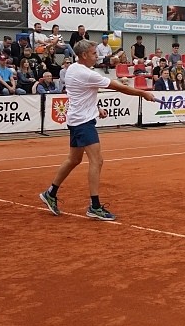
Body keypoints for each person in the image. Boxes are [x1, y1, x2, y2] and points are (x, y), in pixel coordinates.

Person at [39, 39, 156, 221]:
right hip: (83, 122)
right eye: (94, 53)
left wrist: (96, 107)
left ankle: (50, 193)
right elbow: (118, 87)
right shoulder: (86, 74)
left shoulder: (74, 69)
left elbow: (84, 93)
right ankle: (94, 206)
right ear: (84, 55)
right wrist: (143, 93)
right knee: (97, 160)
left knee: (74, 159)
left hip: (78, 119)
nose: (97, 56)